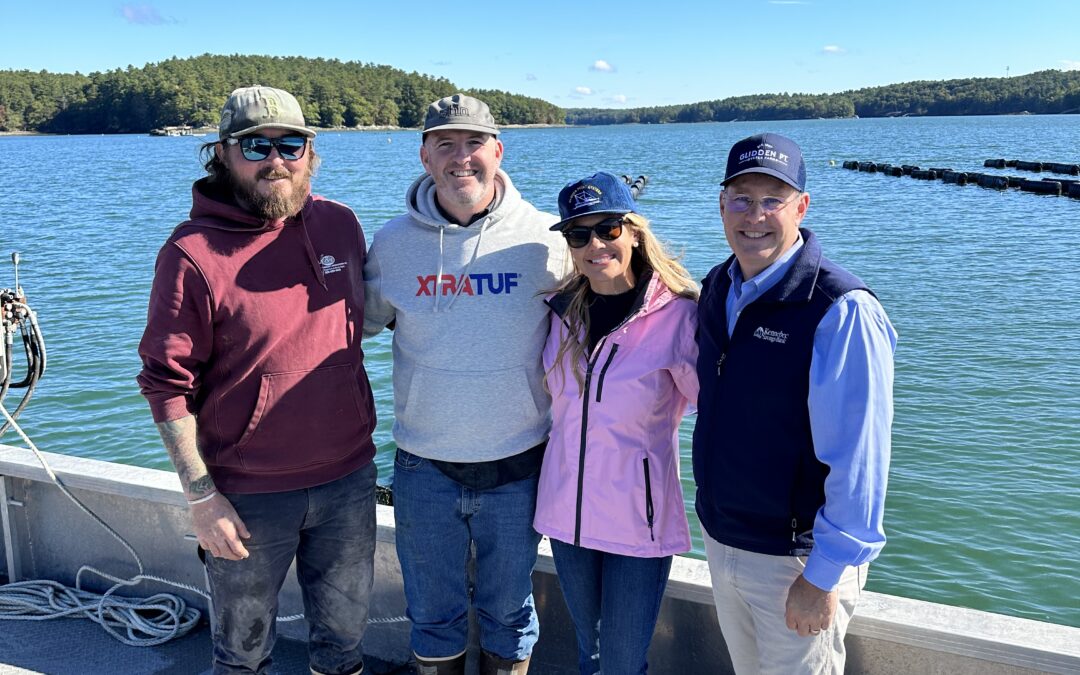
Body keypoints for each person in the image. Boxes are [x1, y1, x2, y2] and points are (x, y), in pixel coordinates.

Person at [137, 85, 378, 675]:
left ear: (311, 152)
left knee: (344, 645)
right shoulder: (190, 253)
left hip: (348, 480)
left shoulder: (342, 225)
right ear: (222, 154)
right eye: (255, 146)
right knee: (242, 654)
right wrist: (202, 497)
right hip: (246, 496)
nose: (276, 159)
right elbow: (166, 385)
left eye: (290, 144)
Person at [362, 93, 567, 675]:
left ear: (497, 152)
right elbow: (348, 328)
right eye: (445, 144)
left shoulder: (547, 240)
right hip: (424, 468)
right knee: (431, 614)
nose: (461, 159)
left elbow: (614, 299)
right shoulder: (393, 244)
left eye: (474, 143)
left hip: (520, 463)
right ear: (424, 157)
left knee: (510, 614)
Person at [693, 133, 897, 674]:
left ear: (801, 207)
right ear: (721, 205)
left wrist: (822, 576)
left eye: (771, 200)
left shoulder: (840, 309)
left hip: (795, 562)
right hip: (723, 540)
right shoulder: (718, 286)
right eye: (740, 197)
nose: (753, 215)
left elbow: (861, 460)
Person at [533, 173, 699, 674]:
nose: (594, 245)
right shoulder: (559, 311)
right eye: (577, 235)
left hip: (639, 523)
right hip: (566, 518)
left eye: (607, 229)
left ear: (633, 230)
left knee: (623, 664)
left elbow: (718, 415)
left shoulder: (679, 316)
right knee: (592, 655)